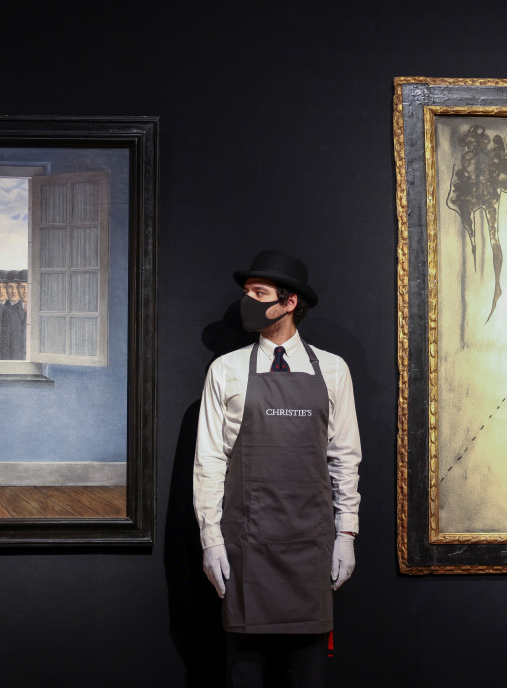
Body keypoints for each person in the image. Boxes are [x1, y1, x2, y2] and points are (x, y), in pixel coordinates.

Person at [193, 250, 360, 687]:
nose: (247, 300)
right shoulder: (225, 370)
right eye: (245, 292)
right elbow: (209, 461)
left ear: (288, 303)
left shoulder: (334, 370)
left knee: (306, 676)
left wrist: (346, 535)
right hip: (246, 546)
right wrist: (210, 540)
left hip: (310, 545)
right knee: (243, 675)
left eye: (258, 293)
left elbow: (345, 458)